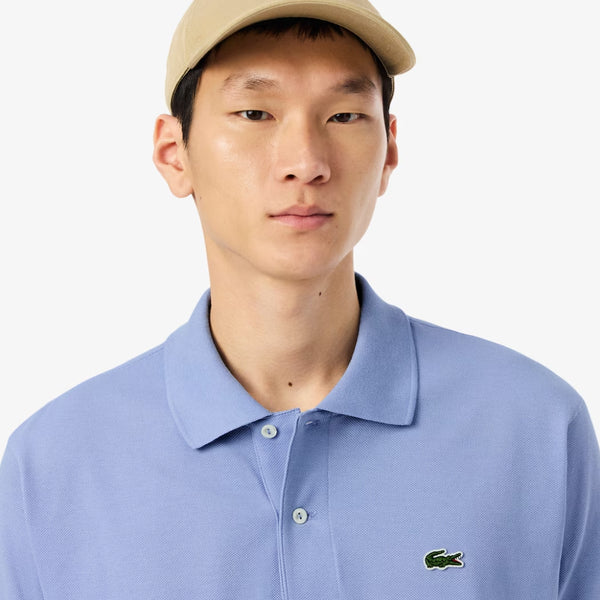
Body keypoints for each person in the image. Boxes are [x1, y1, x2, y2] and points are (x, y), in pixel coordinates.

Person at [1, 0, 598, 597]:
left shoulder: (534, 428)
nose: (306, 163)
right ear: (173, 153)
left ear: (389, 151)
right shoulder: (56, 464)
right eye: (254, 112)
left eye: (343, 115)